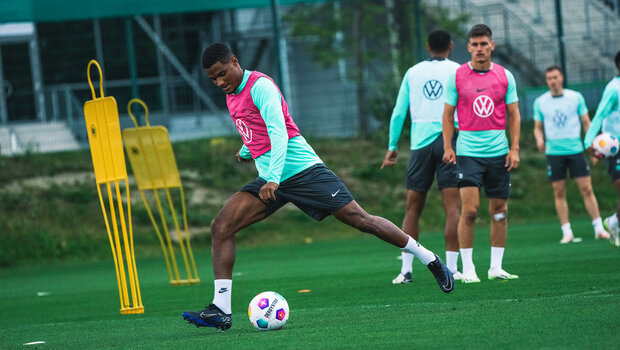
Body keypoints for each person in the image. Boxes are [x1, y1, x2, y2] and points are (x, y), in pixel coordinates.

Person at [181, 43, 454, 331]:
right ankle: (221, 309)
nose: (220, 82)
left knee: (362, 221)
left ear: (235, 61)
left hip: (303, 171)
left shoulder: (261, 86)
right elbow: (256, 129)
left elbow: (278, 130)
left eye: (223, 73)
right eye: (214, 79)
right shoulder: (233, 95)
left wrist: (273, 177)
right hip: (272, 178)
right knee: (221, 227)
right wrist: (246, 153)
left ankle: (430, 259)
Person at [441, 24, 520, 283]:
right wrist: (448, 146)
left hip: (499, 152)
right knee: (471, 211)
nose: (479, 49)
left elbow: (514, 115)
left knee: (499, 210)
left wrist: (515, 148)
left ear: (492, 45)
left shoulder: (505, 76)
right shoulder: (457, 76)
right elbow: (447, 114)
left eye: (484, 44)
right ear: (468, 48)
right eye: (474, 45)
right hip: (468, 153)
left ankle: (496, 267)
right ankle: (469, 269)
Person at [381, 30, 461, 284]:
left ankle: (406, 271)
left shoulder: (412, 72)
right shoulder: (458, 70)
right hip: (450, 141)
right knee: (452, 208)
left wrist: (392, 145)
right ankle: (453, 269)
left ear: (428, 47)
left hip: (420, 146)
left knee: (413, 208)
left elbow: (398, 112)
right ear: (450, 46)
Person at [533, 66, 610, 244]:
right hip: (554, 153)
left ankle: (599, 228)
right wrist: (539, 139)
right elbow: (537, 128)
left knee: (587, 189)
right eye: (549, 78)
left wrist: (593, 147)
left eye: (555, 77)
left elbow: (586, 122)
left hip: (575, 150)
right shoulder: (540, 102)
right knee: (559, 192)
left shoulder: (575, 97)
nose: (553, 81)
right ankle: (567, 231)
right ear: (547, 81)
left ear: (562, 78)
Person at [583, 50, 620, 247]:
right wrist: (589, 141)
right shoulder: (613, 89)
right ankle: (614, 222)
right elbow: (599, 115)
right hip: (616, 148)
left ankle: (614, 221)